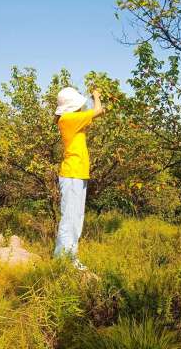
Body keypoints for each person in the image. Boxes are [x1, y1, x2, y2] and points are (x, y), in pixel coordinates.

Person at [53, 86, 105, 270]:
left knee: (77, 217)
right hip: (72, 174)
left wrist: (92, 98)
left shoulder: (72, 119)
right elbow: (98, 111)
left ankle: (69, 257)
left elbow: (92, 113)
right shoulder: (68, 119)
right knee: (70, 218)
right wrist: (96, 96)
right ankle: (64, 260)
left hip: (78, 174)